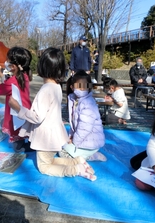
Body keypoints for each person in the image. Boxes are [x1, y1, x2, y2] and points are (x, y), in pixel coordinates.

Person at [8, 47, 96, 181]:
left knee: (44, 167)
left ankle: (76, 169)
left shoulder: (46, 89)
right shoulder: (56, 87)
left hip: (45, 137)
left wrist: (18, 107)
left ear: (42, 67)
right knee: (50, 161)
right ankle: (77, 161)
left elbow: (37, 117)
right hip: (54, 134)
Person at [0, 47, 32, 152]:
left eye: (8, 60)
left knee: (17, 146)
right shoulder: (24, 76)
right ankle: (31, 142)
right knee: (25, 131)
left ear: (13, 66)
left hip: (16, 115)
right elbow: (9, 85)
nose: (6, 62)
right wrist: (1, 75)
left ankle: (26, 147)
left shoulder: (12, 81)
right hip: (26, 111)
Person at [60, 70, 106, 161]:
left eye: (85, 86)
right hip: (83, 140)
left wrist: (74, 141)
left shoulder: (88, 103)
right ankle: (87, 154)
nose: (82, 89)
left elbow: (85, 128)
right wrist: (71, 137)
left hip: (90, 142)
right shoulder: (74, 100)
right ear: (72, 87)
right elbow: (75, 124)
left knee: (62, 152)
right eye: (79, 86)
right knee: (61, 145)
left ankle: (91, 156)